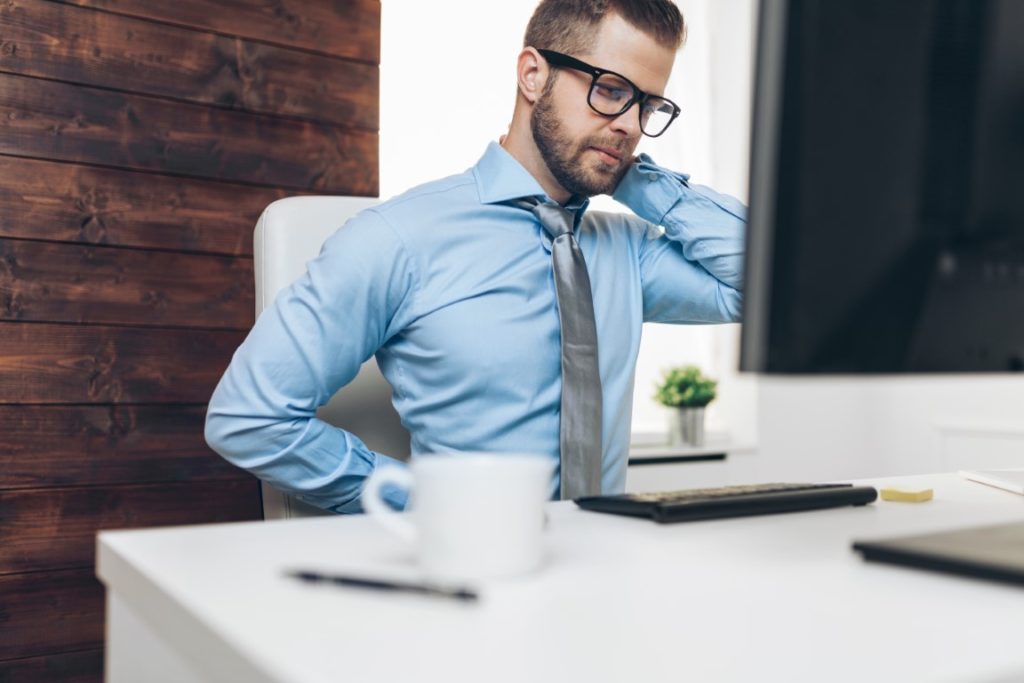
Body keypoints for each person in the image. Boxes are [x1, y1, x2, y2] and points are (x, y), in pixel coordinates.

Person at [205, 0, 746, 513]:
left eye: (648, 105)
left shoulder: (625, 251)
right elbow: (248, 417)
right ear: (533, 75)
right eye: (610, 90)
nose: (630, 125)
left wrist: (639, 181)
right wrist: (424, 505)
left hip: (601, 571)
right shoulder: (398, 239)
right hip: (469, 578)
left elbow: (759, 285)